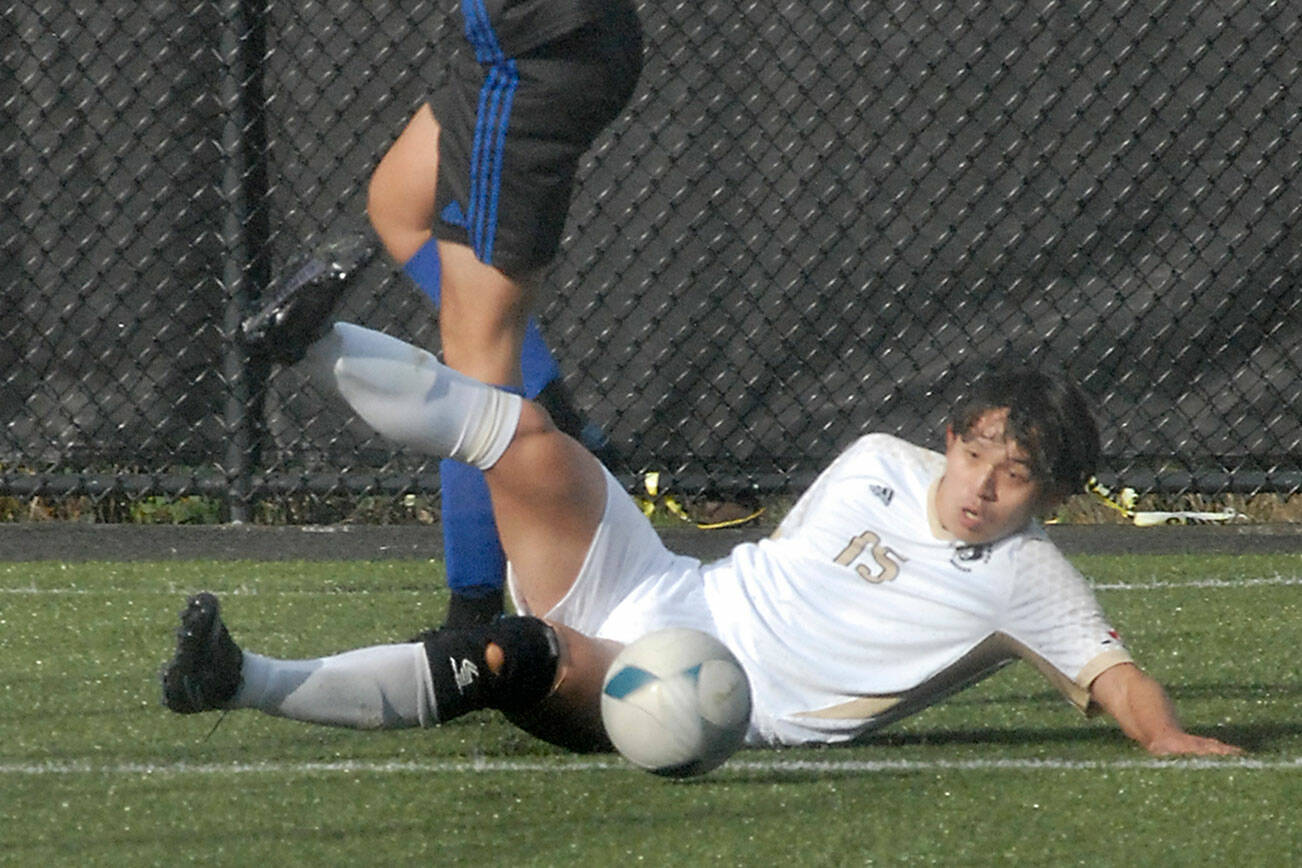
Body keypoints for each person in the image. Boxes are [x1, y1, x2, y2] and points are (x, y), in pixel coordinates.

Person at [162, 326, 1242, 756]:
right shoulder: (876, 458)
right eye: (977, 455)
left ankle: (240, 680)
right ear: (951, 437)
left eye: (1018, 478)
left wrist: (1167, 737)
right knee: (525, 436)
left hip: (710, 695)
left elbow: (1116, 678)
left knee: (515, 653)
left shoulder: (1029, 576)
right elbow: (782, 570)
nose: (984, 487)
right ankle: (304, 343)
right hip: (670, 588)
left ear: (1051, 495)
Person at [244, 0, 643, 628]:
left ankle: (473, 619)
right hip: (528, 47)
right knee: (399, 203)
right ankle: (557, 418)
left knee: (477, 362)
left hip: (531, 57)